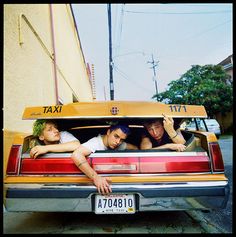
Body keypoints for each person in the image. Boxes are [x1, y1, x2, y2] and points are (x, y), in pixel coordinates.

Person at [71, 124, 138, 195]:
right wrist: (96, 178)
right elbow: (76, 154)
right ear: (108, 132)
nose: (118, 142)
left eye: (121, 140)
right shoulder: (95, 142)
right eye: (116, 136)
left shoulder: (119, 144)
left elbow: (135, 148)